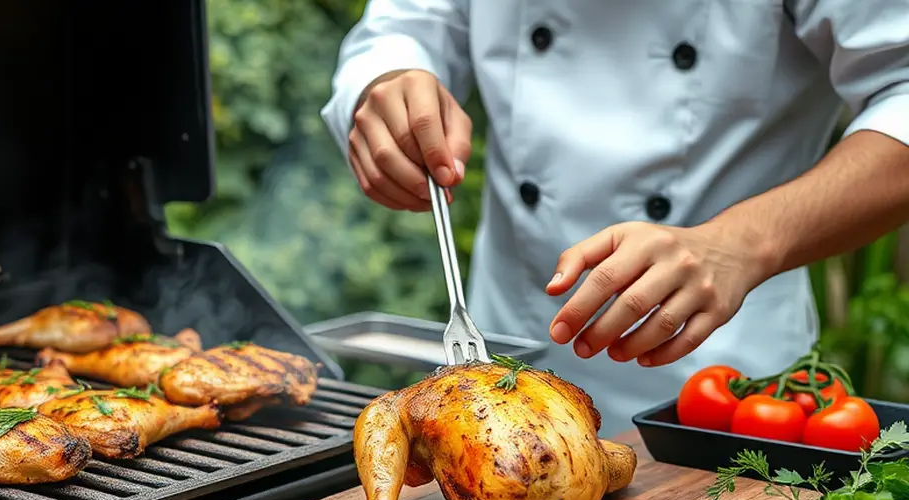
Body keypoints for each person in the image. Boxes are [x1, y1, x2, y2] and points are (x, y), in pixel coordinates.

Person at [321, 1, 909, 435]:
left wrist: (743, 243)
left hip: (720, 387)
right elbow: (402, 27)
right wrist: (387, 82)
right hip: (510, 350)